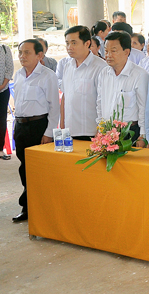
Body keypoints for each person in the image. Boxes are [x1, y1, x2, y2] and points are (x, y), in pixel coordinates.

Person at [11, 39, 59, 223]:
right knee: (24, 168)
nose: (22, 56)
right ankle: (27, 207)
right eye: (20, 52)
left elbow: (54, 107)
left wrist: (48, 132)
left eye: (27, 52)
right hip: (20, 126)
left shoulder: (48, 75)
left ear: (40, 55)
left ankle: (42, 209)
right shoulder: (19, 74)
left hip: (38, 126)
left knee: (39, 170)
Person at [96, 32, 149, 147]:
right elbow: (100, 102)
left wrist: (143, 135)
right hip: (108, 131)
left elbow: (144, 108)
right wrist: (100, 127)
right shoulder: (104, 73)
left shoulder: (139, 75)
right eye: (106, 51)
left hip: (130, 132)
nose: (108, 55)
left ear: (126, 52)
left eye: (113, 51)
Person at [59, 26, 106, 141]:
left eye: (74, 43)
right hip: (69, 130)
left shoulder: (101, 67)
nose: (69, 47)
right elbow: (65, 96)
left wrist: (101, 130)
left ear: (87, 43)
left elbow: (104, 102)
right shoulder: (68, 66)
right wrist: (62, 124)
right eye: (67, 43)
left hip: (91, 131)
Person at [0, 32, 13, 160]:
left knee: (1, 120)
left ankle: (0, 149)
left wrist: (2, 85)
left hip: (2, 91)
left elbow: (9, 69)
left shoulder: (4, 49)